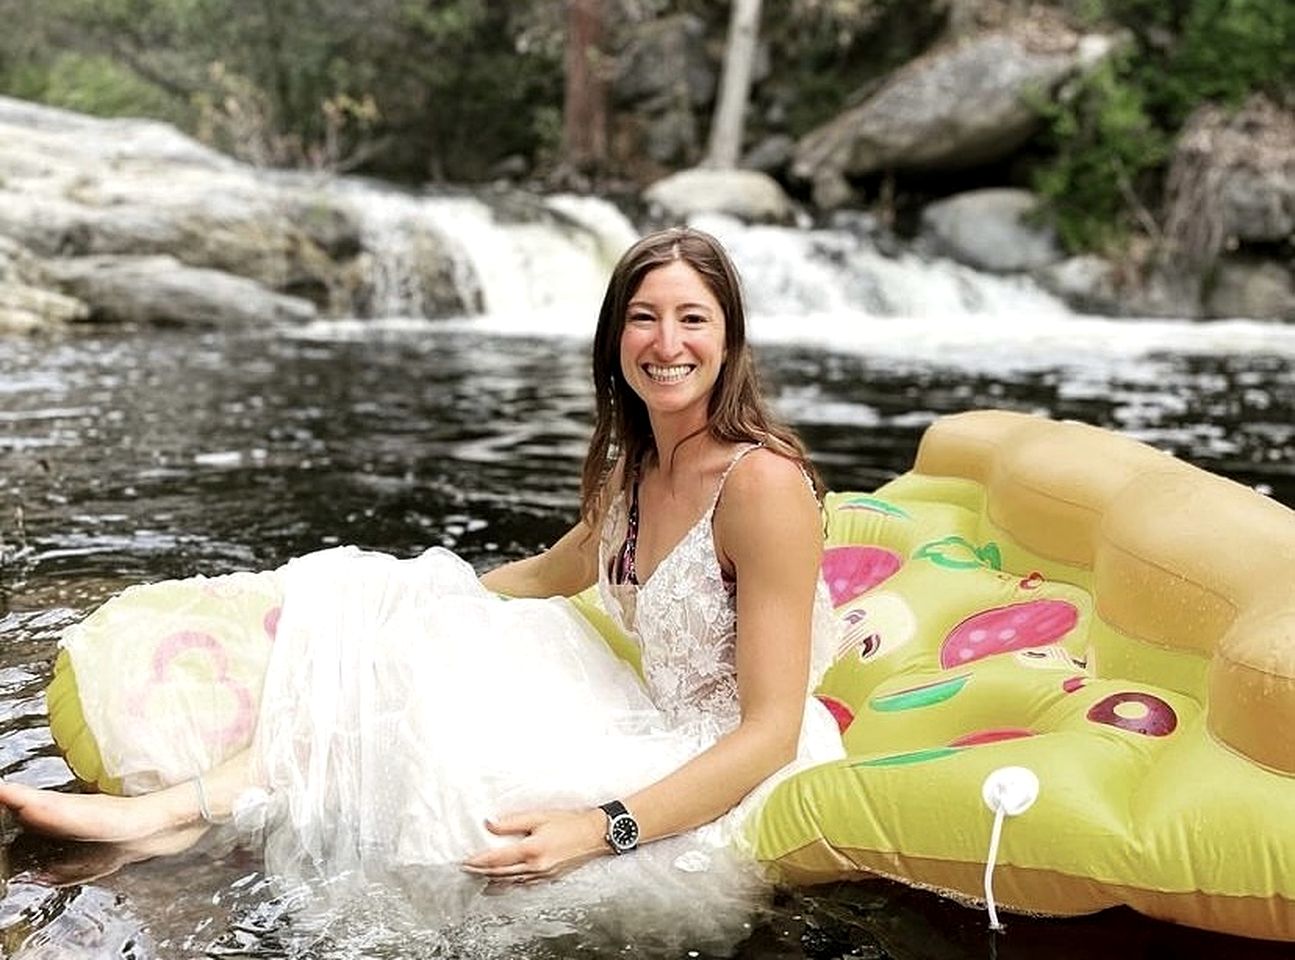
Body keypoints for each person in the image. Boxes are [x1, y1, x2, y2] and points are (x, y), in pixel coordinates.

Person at [0, 227, 842, 938]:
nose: (666, 344)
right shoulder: (636, 471)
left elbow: (768, 732)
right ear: (614, 339)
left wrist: (600, 827)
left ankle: (178, 820)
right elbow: (549, 572)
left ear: (728, 340)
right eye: (643, 318)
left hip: (729, 762)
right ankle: (173, 816)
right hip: (651, 721)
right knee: (411, 638)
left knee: (458, 818)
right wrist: (407, 613)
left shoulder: (760, 486)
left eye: (692, 319)